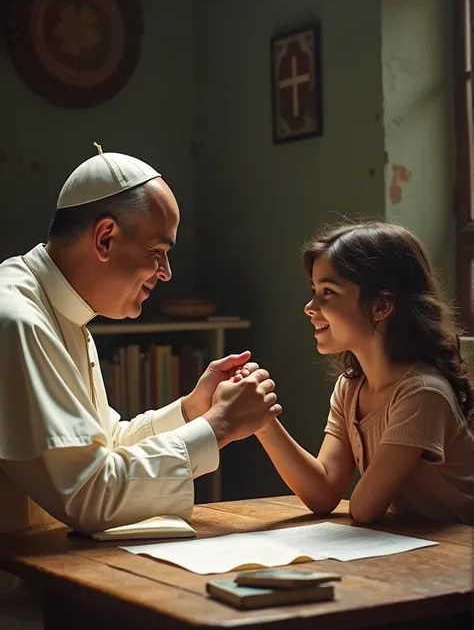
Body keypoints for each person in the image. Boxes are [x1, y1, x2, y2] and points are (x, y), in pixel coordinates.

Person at [0, 147, 281, 539]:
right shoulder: (17, 320)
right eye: (158, 252)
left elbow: (104, 448)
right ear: (105, 239)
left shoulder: (59, 308)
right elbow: (91, 493)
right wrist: (219, 425)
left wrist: (192, 410)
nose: (165, 273)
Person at [256, 222, 474, 525]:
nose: (310, 306)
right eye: (314, 291)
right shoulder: (351, 387)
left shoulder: (423, 393)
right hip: (410, 545)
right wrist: (262, 420)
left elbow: (364, 508)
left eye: (328, 292)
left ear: (381, 306)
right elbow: (323, 493)